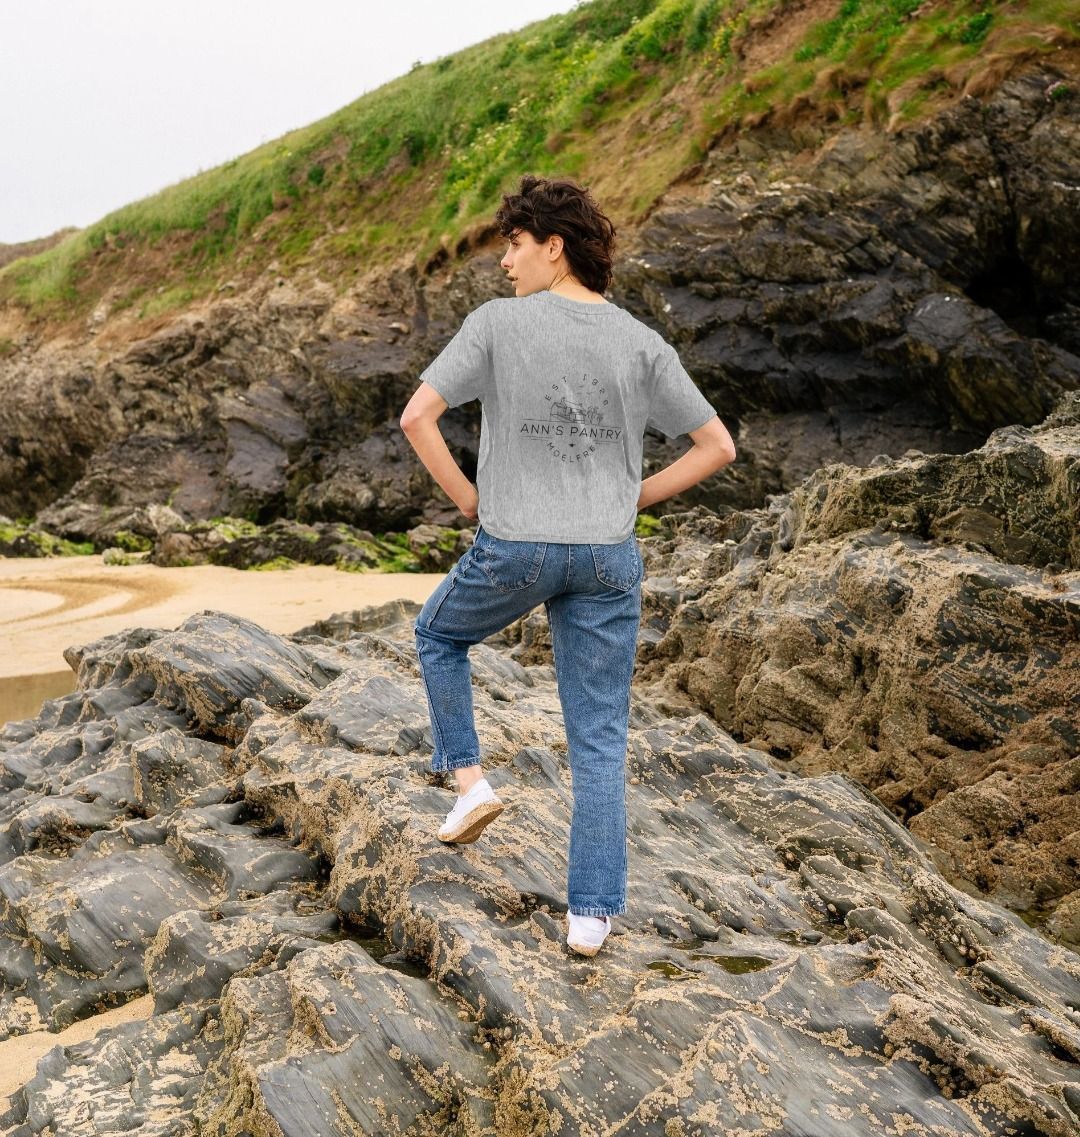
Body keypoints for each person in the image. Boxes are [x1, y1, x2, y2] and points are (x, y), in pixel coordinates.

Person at [400, 174, 736, 956]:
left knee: (438, 635)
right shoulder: (641, 342)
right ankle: (590, 915)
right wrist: (631, 498)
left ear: (554, 247)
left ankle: (471, 784)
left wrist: (469, 498)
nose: (505, 263)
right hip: (607, 556)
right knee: (599, 735)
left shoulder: (497, 325)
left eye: (514, 245)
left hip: (517, 544)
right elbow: (717, 447)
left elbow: (418, 416)